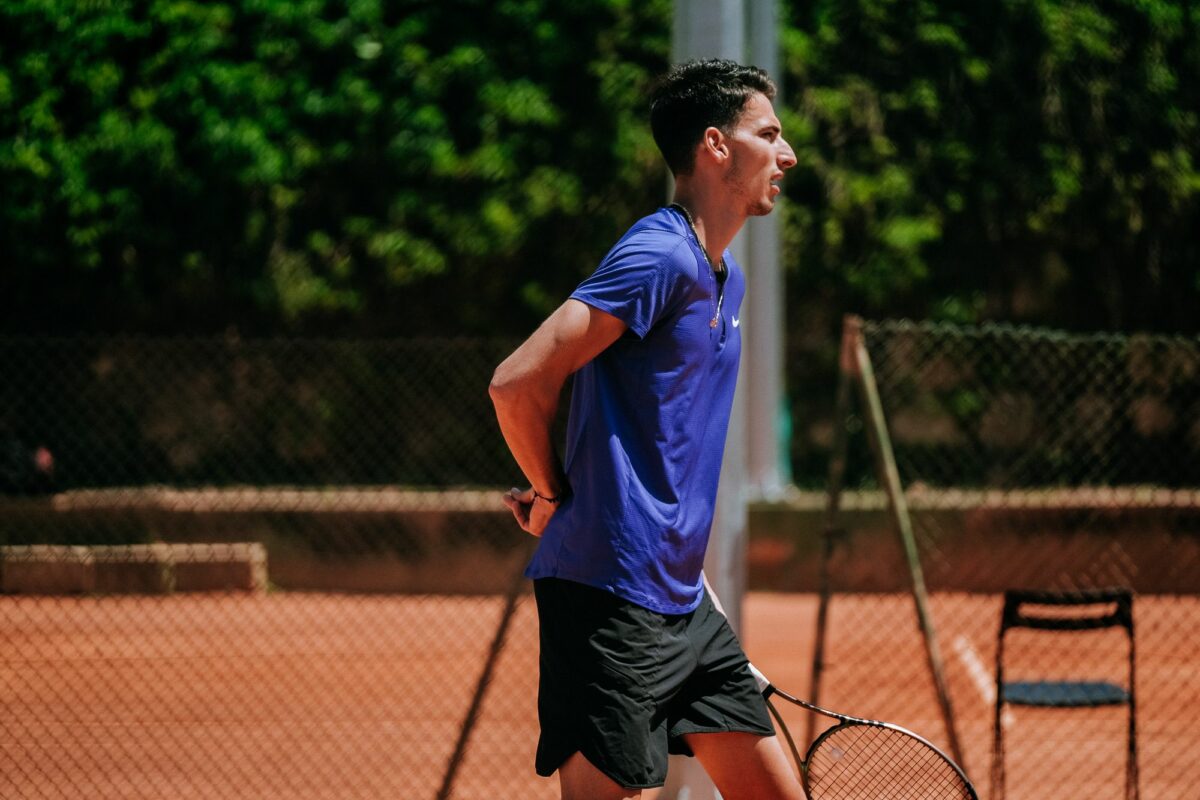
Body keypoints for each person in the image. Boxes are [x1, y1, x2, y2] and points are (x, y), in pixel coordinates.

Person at [489, 58, 801, 800]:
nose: (787, 155)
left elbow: (669, 460)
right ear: (715, 146)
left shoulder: (729, 280)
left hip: (681, 604)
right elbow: (517, 382)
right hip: (606, 600)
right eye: (769, 134)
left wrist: (699, 596)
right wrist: (551, 490)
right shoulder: (660, 253)